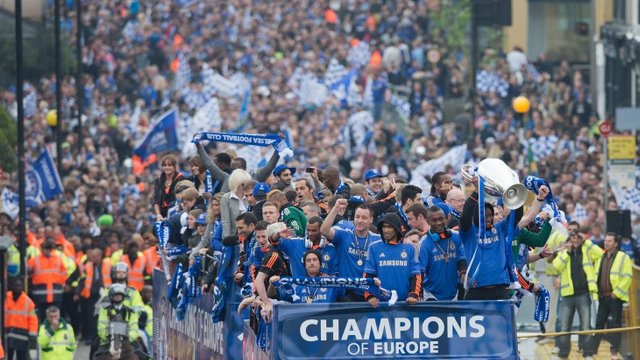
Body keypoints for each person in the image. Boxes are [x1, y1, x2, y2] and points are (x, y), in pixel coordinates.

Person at [459, 177, 523, 300]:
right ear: (476, 217)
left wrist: (516, 192)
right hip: (477, 290)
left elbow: (516, 217)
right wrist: (477, 191)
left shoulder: (500, 228)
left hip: (499, 289)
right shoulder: (468, 232)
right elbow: (465, 215)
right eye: (483, 216)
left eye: (490, 215)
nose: (488, 218)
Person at [552, 229, 603, 359]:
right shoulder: (565, 252)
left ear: (581, 240)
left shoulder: (586, 250)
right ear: (569, 240)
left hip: (584, 294)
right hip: (568, 295)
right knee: (564, 327)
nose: (575, 241)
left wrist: (587, 240)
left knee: (586, 326)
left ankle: (588, 353)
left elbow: (599, 254)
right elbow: (556, 266)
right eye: (573, 238)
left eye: (578, 238)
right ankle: (563, 354)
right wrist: (567, 253)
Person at [321, 200, 381, 301]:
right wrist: (335, 209)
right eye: (357, 217)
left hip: (370, 293)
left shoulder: (377, 239)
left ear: (371, 219)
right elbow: (324, 231)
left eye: (364, 217)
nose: (360, 220)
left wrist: (405, 240)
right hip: (348, 292)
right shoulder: (344, 235)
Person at [590, 232, 633, 359]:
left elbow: (628, 277)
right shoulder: (601, 257)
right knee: (599, 323)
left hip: (615, 297)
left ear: (615, 243)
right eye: (606, 240)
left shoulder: (623, 257)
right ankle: (592, 350)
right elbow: (596, 275)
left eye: (609, 241)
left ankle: (614, 352)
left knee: (615, 324)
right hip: (603, 296)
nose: (606, 242)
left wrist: (617, 293)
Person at [364, 213, 421, 307]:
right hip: (381, 305)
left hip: (405, 304)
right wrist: (370, 296)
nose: (386, 230)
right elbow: (368, 275)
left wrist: (413, 294)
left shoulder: (409, 248)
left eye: (390, 227)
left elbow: (415, 275)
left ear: (396, 228)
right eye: (384, 227)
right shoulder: (374, 247)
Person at [419, 206, 467, 301]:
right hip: (431, 295)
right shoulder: (424, 243)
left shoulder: (456, 236)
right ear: (428, 222)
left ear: (446, 218)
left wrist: (463, 273)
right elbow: (420, 271)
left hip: (454, 294)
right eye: (434, 220)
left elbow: (461, 258)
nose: (438, 223)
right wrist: (418, 293)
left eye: (441, 219)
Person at [270, 216, 338, 276]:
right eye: (308, 230)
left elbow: (335, 274)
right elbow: (272, 241)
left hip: (322, 289)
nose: (310, 233)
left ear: (322, 231)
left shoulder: (331, 249)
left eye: (314, 231)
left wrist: (329, 278)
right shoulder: (295, 244)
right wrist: (278, 235)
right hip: (299, 288)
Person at [268, 250, 338, 303]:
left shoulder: (331, 283)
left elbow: (347, 290)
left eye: (315, 260)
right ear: (305, 265)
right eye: (308, 260)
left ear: (320, 264)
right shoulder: (296, 284)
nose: (312, 263)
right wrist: (271, 284)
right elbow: (272, 295)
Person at [95, 284, 140, 360]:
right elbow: (101, 327)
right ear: (111, 296)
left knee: (142, 354)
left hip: (127, 342)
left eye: (120, 295)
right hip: (108, 341)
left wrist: (127, 338)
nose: (118, 297)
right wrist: (110, 337)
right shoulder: (104, 310)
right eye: (116, 295)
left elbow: (134, 328)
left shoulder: (130, 311)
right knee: (96, 354)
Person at [76, 248, 112, 343]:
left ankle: (102, 336)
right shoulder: (87, 266)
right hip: (91, 295)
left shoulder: (108, 265)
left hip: (104, 295)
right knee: (91, 317)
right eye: (92, 256)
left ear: (100, 256)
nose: (92, 258)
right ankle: (92, 338)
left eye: (95, 256)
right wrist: (77, 293)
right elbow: (82, 280)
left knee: (103, 316)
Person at [27, 237, 67, 320]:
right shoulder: (34, 260)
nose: (46, 251)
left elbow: (64, 273)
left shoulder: (58, 259)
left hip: (56, 294)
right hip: (41, 296)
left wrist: (62, 283)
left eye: (48, 249)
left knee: (56, 316)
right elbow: (28, 273)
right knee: (43, 317)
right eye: (44, 249)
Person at [5, 278, 38, 360]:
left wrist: (32, 336)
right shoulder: (5, 298)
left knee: (22, 356)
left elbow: (33, 320)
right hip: (8, 333)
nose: (18, 287)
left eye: (20, 285)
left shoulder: (28, 302)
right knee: (8, 356)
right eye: (16, 285)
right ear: (12, 286)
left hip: (22, 335)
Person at [220, 169, 253, 239]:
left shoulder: (250, 196)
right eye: (243, 184)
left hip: (250, 235)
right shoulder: (226, 198)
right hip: (234, 236)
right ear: (235, 183)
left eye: (247, 184)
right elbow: (226, 221)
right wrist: (227, 240)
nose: (245, 186)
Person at [153, 154, 184, 220]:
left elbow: (183, 200)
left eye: (170, 165)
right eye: (164, 165)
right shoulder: (158, 180)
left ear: (174, 166)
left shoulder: (181, 179)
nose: (167, 167)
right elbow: (156, 201)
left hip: (177, 215)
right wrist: (158, 215)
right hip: (161, 216)